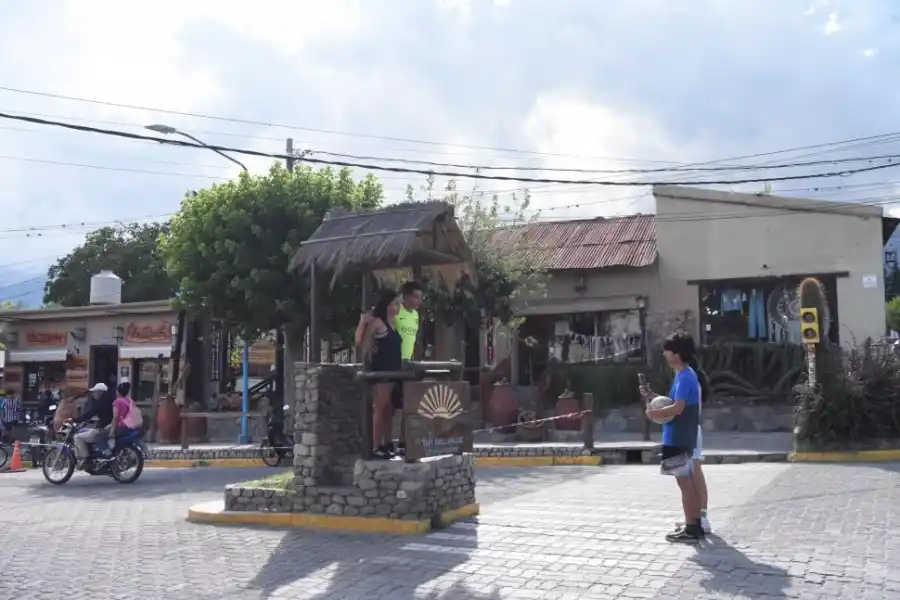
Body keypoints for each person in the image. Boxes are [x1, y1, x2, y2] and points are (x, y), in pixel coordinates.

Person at [642, 332, 710, 544]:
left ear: (677, 354)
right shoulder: (684, 375)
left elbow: (678, 408)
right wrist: (653, 398)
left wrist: (653, 414)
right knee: (685, 481)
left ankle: (692, 527)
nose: (665, 354)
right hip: (680, 436)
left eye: (668, 350)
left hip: (678, 437)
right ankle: (693, 524)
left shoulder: (685, 377)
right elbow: (673, 403)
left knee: (684, 482)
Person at [356, 290, 403, 459]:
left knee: (389, 410)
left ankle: (388, 442)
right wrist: (362, 322)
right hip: (381, 372)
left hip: (394, 372)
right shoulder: (377, 322)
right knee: (381, 408)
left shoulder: (393, 323)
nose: (398, 307)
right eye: (396, 303)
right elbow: (360, 341)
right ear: (388, 305)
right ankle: (377, 446)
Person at [392, 280, 423, 455]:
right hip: (394, 363)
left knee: (409, 405)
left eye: (420, 297)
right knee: (389, 406)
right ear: (406, 297)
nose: (418, 301)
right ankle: (384, 443)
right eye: (416, 297)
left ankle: (404, 441)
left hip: (408, 363)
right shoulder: (397, 312)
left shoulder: (416, 315)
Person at [72, 382, 113, 469]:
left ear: (100, 392)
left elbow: (89, 414)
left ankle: (85, 459)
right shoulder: (111, 400)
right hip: (109, 426)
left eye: (95, 392)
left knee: (77, 437)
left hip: (103, 428)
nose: (93, 394)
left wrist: (75, 419)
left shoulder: (100, 402)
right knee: (88, 432)